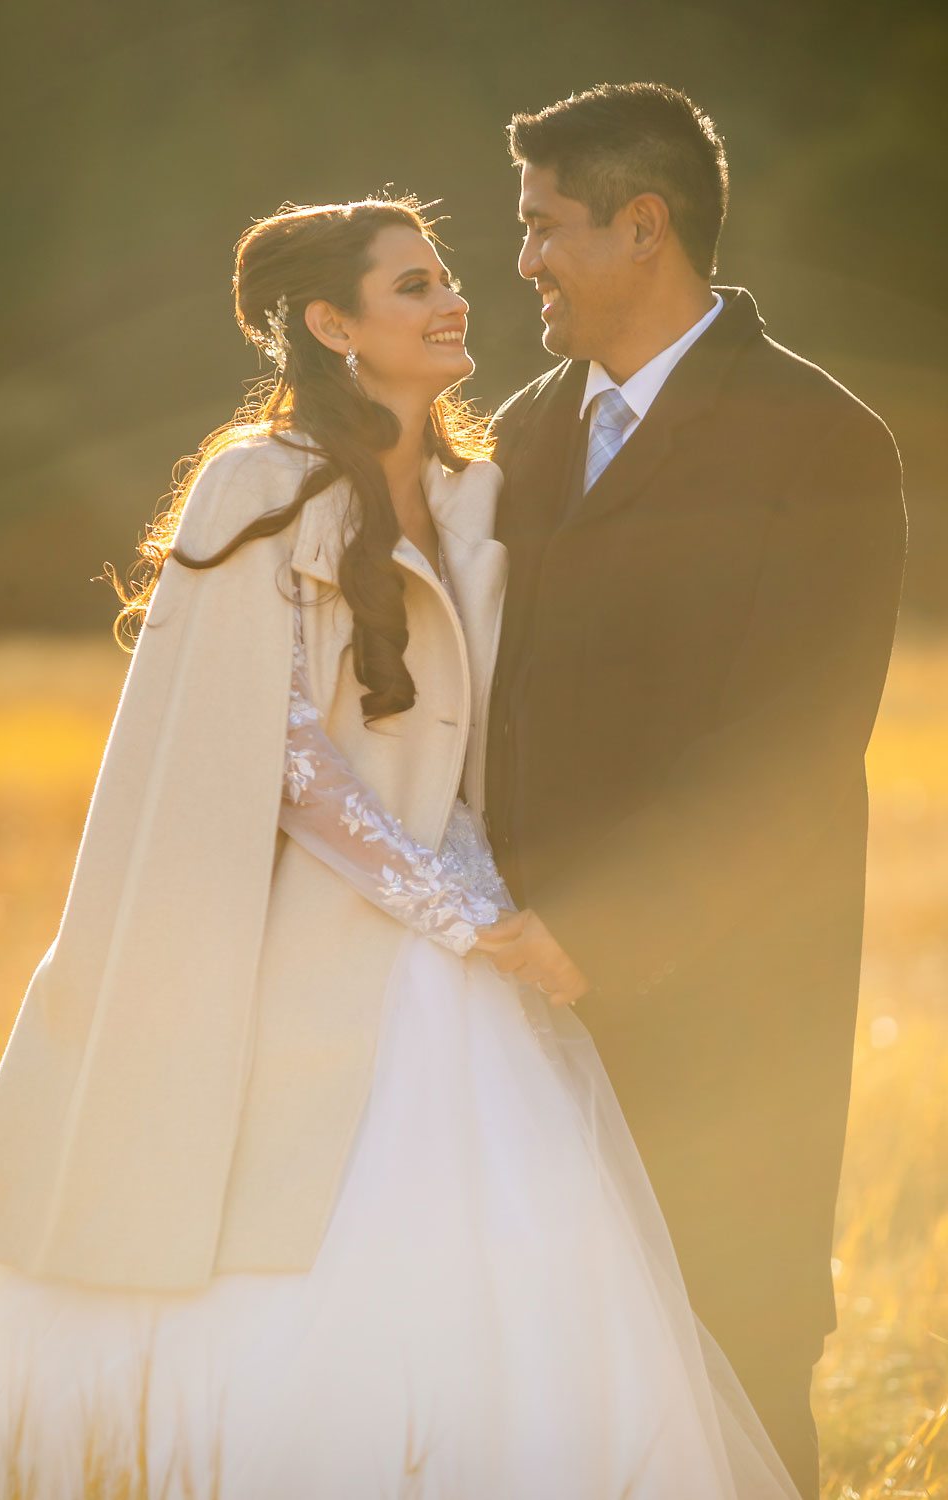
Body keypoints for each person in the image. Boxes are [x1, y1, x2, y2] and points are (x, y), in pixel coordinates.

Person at [0, 196, 799, 1500]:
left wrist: (516, 899)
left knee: (517, 1257)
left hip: (466, 937)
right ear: (333, 324)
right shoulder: (259, 478)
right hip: (304, 945)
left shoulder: (481, 486)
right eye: (413, 285)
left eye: (447, 275)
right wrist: (455, 908)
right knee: (274, 1238)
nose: (455, 297)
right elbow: (282, 751)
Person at [483, 83, 908, 1500]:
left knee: (730, 1349)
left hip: (729, 1012)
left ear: (643, 227)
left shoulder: (823, 443)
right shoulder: (520, 433)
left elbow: (787, 750)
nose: (523, 258)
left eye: (545, 227)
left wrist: (605, 930)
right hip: (521, 1019)